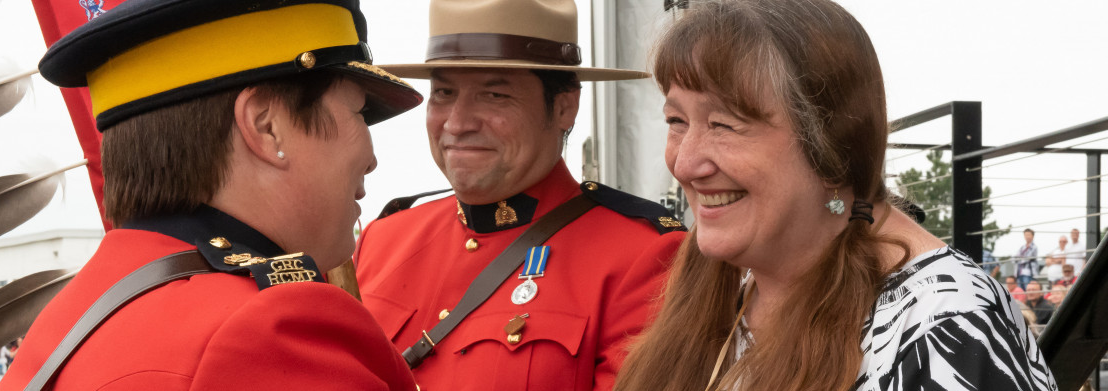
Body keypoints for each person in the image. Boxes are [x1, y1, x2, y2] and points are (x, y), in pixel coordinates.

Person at [614, 1, 1056, 390]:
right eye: (676, 121)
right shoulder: (729, 283)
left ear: (830, 143)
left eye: (724, 125)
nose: (686, 164)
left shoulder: (943, 329)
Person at [0, 0, 423, 389]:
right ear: (266, 126)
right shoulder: (271, 335)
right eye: (359, 113)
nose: (370, 158)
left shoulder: (72, 316)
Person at [353, 0, 688, 389]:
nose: (458, 123)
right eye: (443, 92)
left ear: (565, 107)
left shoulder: (642, 257)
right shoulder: (382, 240)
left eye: (494, 96)